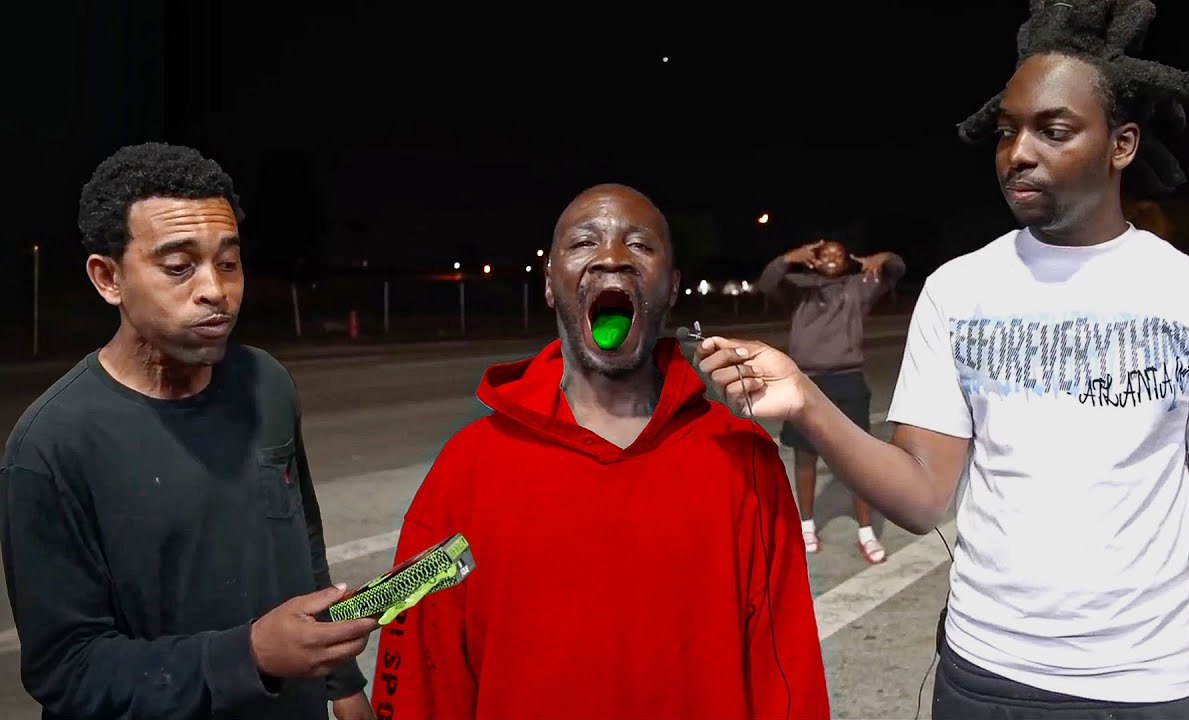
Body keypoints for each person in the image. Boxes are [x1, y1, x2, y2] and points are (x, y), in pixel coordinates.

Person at [694, 2, 1189, 718]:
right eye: (1007, 131)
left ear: (1121, 144)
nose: (1017, 153)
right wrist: (808, 404)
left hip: (1152, 688)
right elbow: (922, 496)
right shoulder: (958, 291)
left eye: (1053, 130)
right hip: (985, 679)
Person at [370, 183, 829, 720]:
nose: (612, 257)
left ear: (673, 286)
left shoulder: (744, 459)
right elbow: (420, 663)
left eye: (639, 245)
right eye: (584, 242)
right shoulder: (464, 467)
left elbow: (787, 675)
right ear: (549, 284)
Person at [0, 143, 378, 720]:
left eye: (228, 263)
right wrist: (248, 656)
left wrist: (344, 686)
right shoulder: (50, 447)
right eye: (179, 268)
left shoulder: (267, 385)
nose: (215, 290)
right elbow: (66, 670)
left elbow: (300, 545)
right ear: (108, 279)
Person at [758, 238, 905, 561]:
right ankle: (807, 526)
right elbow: (767, 282)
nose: (831, 259)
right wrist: (787, 258)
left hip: (847, 380)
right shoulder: (799, 289)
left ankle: (866, 532)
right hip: (806, 382)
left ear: (847, 261)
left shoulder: (858, 287)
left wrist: (884, 255)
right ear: (813, 259)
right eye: (824, 254)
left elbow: (896, 270)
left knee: (857, 460)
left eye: (838, 255)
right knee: (805, 456)